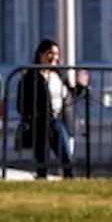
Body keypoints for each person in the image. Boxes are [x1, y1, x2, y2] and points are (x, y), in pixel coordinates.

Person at [15, 39, 87, 179]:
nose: (54, 57)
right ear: (41, 54)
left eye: (56, 54)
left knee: (67, 158)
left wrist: (81, 87)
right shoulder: (30, 76)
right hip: (39, 122)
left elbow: (69, 94)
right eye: (50, 53)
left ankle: (70, 182)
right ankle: (42, 183)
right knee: (42, 161)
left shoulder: (58, 74)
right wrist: (32, 115)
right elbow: (22, 103)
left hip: (56, 120)